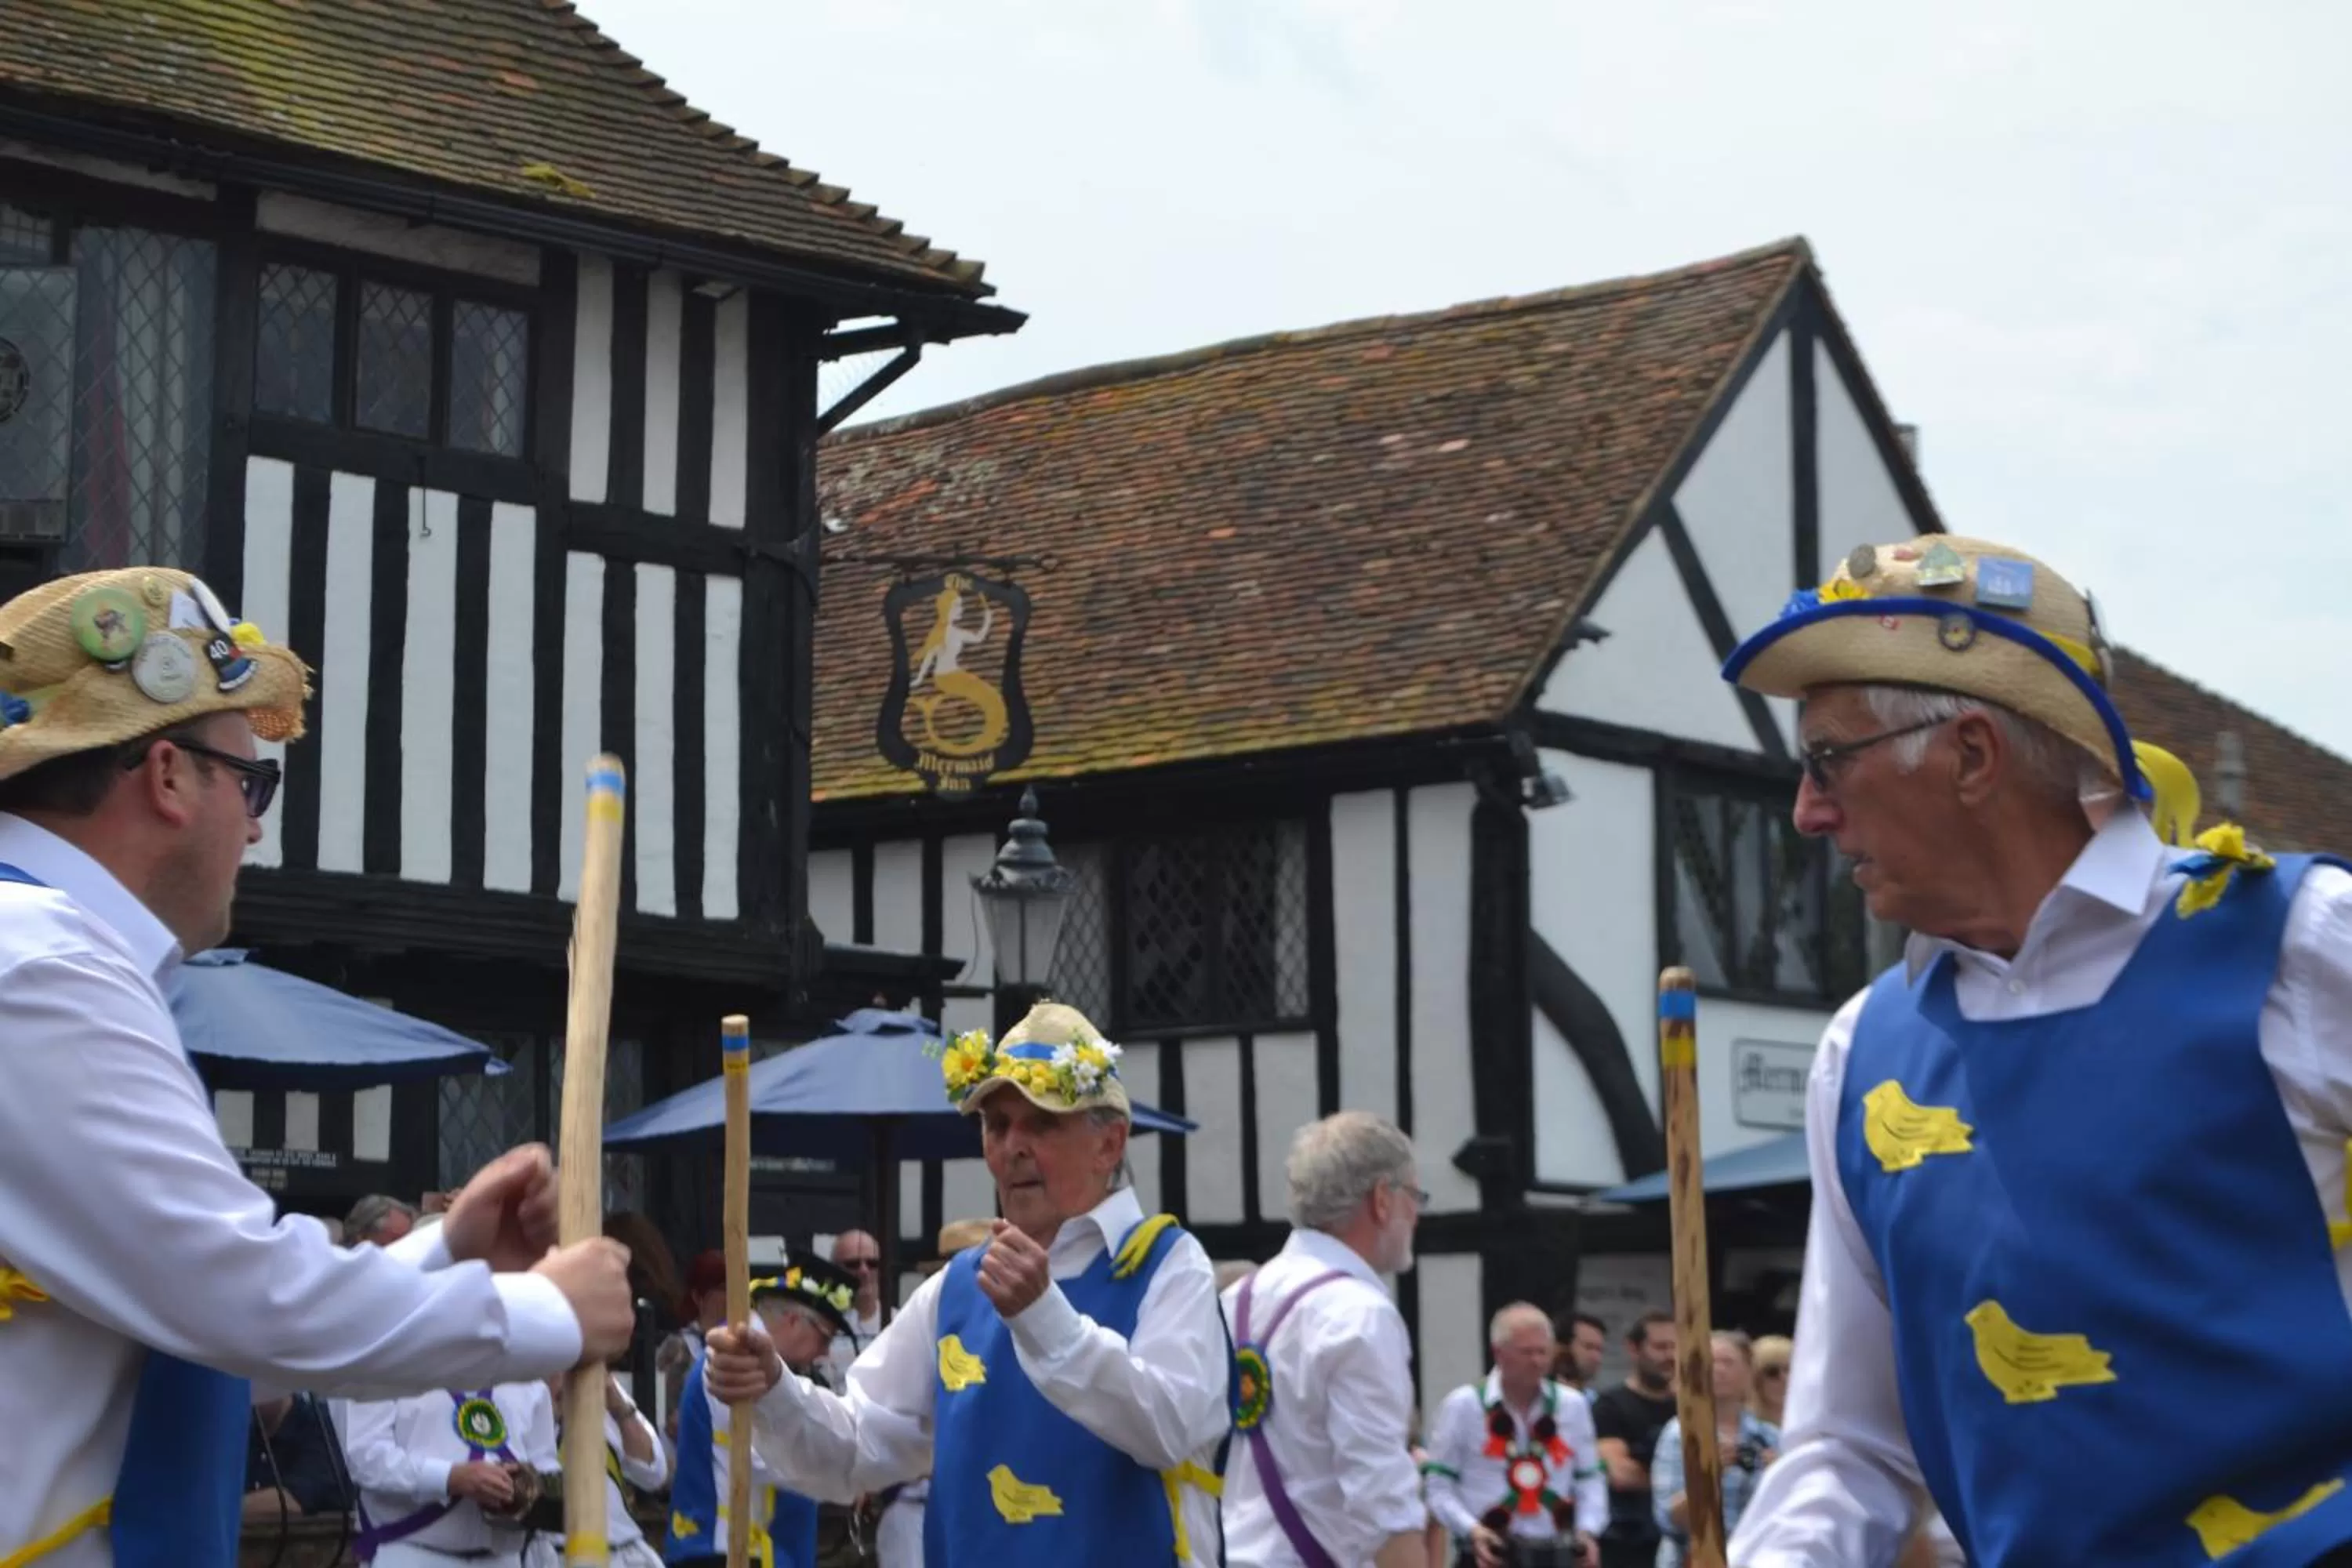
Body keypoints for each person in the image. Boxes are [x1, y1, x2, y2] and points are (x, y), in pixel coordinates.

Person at [1718, 535, 2352, 1566]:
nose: (1807, 812)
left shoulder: (2301, 939)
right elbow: (1850, 1442)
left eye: (1828, 759)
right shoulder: (1861, 1049)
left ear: (1972, 753)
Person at [0, 567, 635, 1568]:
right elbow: (236, 1296)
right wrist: (548, 1310)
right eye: (250, 782)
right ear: (167, 776)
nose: (255, 826)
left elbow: (210, 1330)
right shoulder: (40, 966)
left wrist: (442, 1251)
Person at [704, 1002, 1231, 1566]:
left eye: (1042, 1122)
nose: (1013, 1146)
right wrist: (774, 1389)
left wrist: (1045, 1318)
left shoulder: (1168, 1266)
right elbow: (858, 1447)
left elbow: (1170, 1427)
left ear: (1110, 1143)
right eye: (997, 1125)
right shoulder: (958, 1286)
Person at [1221, 1109, 1429, 1568]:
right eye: (1414, 1196)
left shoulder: (1234, 1301)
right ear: (1382, 1199)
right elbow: (1383, 1502)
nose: (1417, 1214)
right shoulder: (1360, 1313)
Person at [670, 1259, 860, 1567]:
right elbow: (766, 1458)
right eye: (825, 1337)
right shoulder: (732, 1359)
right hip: (724, 1550)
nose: (824, 1352)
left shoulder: (746, 1360)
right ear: (794, 1321)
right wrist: (842, 1468)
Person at [1424, 1302, 1605, 1566]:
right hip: (1488, 1554)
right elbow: (1438, 1486)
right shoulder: (1463, 1405)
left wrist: (1588, 1530)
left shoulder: (1572, 1405)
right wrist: (1472, 1530)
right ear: (1499, 1353)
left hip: (1556, 1553)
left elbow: (1590, 1478)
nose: (1537, 1361)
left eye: (1543, 1352)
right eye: (1526, 1352)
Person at [872, 1218, 993, 1568]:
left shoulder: (1007, 1332)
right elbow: (876, 1418)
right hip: (912, 1502)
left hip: (980, 1511)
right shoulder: (921, 1326)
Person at [337, 1378, 557, 1567]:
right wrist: (449, 1478)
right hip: (412, 1553)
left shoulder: (527, 1377)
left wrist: (525, 1485)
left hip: (504, 1558)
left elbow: (545, 1463)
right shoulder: (384, 1365)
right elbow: (366, 1458)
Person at [1650, 1333, 1779, 1567]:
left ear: (1749, 1372)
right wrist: (1709, 1476)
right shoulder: (1680, 1434)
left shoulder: (1770, 1436)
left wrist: (1780, 1476)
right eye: (1710, 1361)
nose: (1718, 1370)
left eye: (1728, 1362)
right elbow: (1669, 1519)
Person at [522, 1367, 669, 1568]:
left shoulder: (605, 1394)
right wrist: (556, 1402)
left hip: (625, 1553)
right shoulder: (524, 1387)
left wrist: (619, 1406)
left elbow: (653, 1474)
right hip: (558, 1555)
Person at [1591, 1315, 1678, 1568]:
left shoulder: (1687, 1409)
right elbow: (1620, 1474)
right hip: (1627, 1542)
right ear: (1634, 1348)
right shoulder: (1609, 1406)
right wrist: (1678, 1480)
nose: (1669, 1356)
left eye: (1674, 1347)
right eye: (1660, 1347)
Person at [1553, 1314, 1607, 1398]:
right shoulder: (1539, 1396)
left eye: (1600, 1350)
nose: (1596, 1357)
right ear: (1562, 1347)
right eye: (1589, 1347)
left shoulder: (1595, 1400)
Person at [1744, 1337, 1791, 1431]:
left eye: (1791, 1370)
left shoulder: (1815, 1422)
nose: (1785, 1379)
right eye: (1772, 1372)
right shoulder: (1744, 1428)